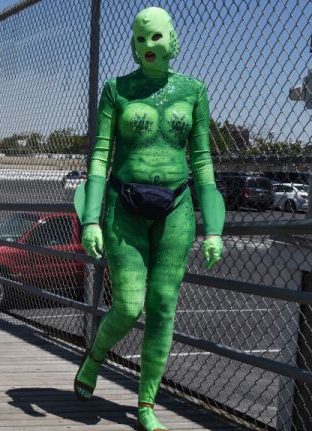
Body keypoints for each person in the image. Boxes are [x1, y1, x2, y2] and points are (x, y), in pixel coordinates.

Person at [72, 8, 225, 431]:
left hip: (176, 207)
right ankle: (94, 357)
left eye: (155, 37)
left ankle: (146, 404)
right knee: (127, 306)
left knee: (162, 307)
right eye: (140, 39)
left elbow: (202, 160)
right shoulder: (116, 89)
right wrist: (90, 220)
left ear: (172, 40)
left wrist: (214, 228)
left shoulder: (193, 90)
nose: (147, 47)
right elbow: (99, 159)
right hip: (125, 207)